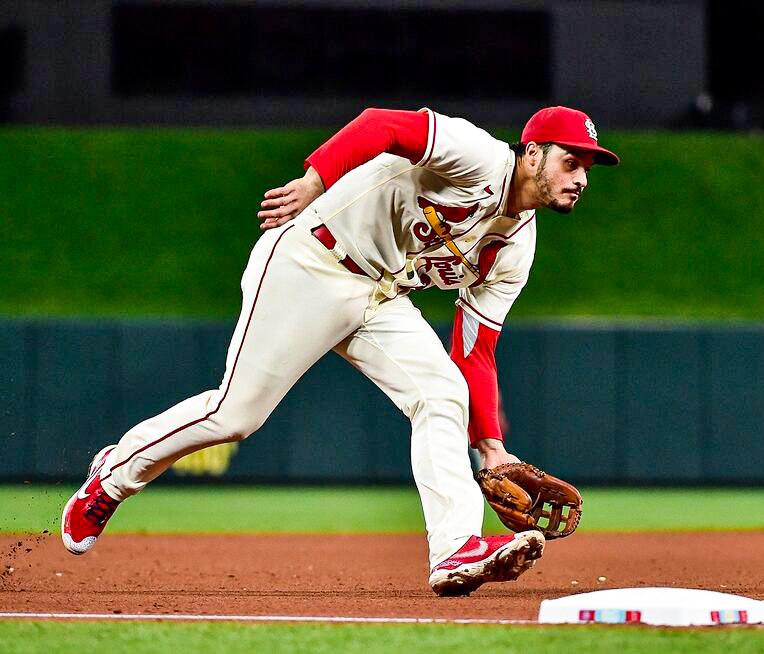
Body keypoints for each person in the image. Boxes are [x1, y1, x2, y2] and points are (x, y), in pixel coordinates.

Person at [60, 105, 619, 596]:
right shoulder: (476, 155)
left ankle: (455, 550)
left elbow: (475, 351)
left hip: (379, 293)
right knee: (235, 415)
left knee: (443, 392)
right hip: (311, 261)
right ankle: (112, 477)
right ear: (532, 153)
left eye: (587, 170)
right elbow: (384, 125)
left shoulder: (516, 249)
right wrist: (314, 180)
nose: (580, 178)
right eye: (570, 162)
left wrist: (492, 449)